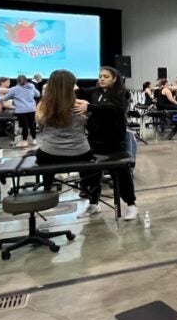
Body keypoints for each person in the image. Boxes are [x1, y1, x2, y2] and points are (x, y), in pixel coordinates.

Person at [76, 66, 139, 220]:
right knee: (91, 174)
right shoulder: (95, 92)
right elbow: (78, 92)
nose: (102, 79)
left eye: (106, 76)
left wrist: (89, 107)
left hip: (114, 142)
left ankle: (131, 205)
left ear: (114, 78)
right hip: (94, 141)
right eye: (100, 76)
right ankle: (94, 203)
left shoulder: (121, 93)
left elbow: (114, 108)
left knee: (122, 173)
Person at [34, 69, 98, 210]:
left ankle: (47, 188)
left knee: (41, 154)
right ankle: (91, 196)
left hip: (50, 154)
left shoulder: (43, 106)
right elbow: (90, 126)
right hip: (80, 153)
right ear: (71, 85)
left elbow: (41, 128)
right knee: (92, 160)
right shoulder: (82, 104)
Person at [2, 74, 40, 147]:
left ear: (17, 81)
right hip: (31, 109)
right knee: (32, 125)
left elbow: (5, 98)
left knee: (24, 126)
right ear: (26, 80)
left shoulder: (14, 89)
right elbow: (38, 94)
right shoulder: (31, 86)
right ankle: (34, 140)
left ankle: (24, 141)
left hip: (21, 110)